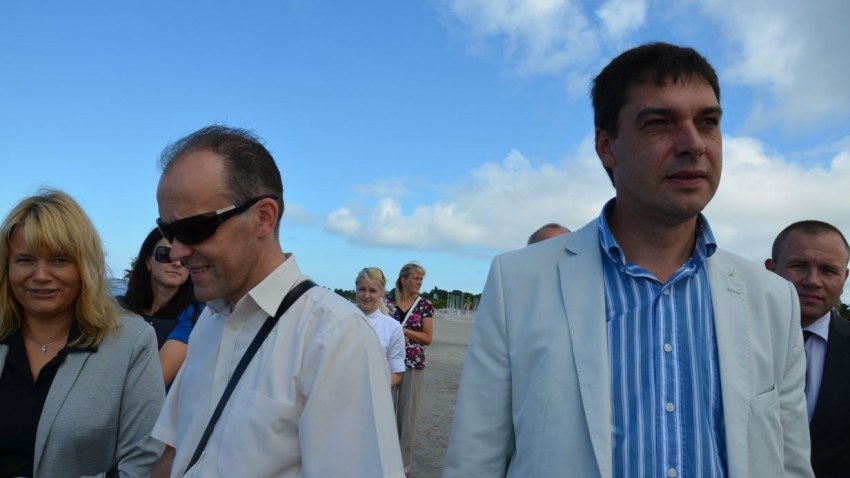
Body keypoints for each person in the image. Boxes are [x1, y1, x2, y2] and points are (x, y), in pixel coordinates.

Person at [443, 42, 812, 477]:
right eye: (659, 123)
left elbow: (790, 463)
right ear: (606, 146)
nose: (693, 143)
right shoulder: (518, 283)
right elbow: (475, 461)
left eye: (708, 122)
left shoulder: (772, 299)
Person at [149, 125, 403, 477]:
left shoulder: (336, 336)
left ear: (263, 217)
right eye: (169, 231)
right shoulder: (209, 320)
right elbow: (177, 450)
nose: (177, 252)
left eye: (193, 229)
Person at [0, 189, 164, 477]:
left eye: (59, 260)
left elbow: (144, 462)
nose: (40, 275)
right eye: (24, 260)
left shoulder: (131, 343)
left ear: (85, 266)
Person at [765, 220, 850, 476]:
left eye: (828, 270)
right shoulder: (728, 343)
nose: (813, 281)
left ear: (845, 277)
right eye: (799, 266)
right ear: (770, 270)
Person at [121, 227, 203, 386]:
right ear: (148, 262)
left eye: (185, 258)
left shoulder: (195, 315)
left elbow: (153, 381)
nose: (177, 263)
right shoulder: (117, 309)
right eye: (166, 254)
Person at [385, 262, 434, 475]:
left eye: (421, 278)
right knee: (384, 412)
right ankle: (384, 461)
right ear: (403, 279)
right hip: (387, 363)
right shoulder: (386, 302)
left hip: (413, 364)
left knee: (407, 418)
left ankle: (403, 467)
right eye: (416, 278)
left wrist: (402, 330)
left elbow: (427, 338)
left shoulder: (424, 305)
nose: (419, 282)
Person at [355, 267, 405, 387]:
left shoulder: (393, 327)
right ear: (356, 289)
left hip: (375, 393)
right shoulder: (341, 320)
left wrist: (374, 388)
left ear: (382, 293)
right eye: (362, 289)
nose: (366, 295)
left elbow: (396, 374)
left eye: (372, 291)